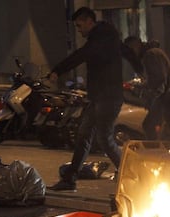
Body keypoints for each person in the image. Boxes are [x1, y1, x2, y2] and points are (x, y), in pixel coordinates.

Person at [47, 7, 124, 191]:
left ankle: (129, 173)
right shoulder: (100, 38)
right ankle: (70, 178)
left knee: (104, 138)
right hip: (99, 96)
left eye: (80, 26)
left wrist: (58, 70)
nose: (79, 30)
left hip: (108, 96)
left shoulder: (102, 38)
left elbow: (80, 56)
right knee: (84, 135)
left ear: (90, 21)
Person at [124, 36, 170, 148]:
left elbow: (159, 80)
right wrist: (138, 86)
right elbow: (156, 79)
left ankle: (157, 153)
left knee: (153, 126)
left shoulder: (150, 55)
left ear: (135, 46)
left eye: (131, 50)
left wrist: (152, 98)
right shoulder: (152, 53)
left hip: (168, 97)